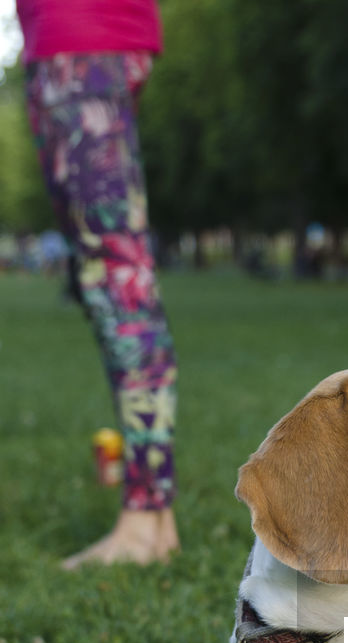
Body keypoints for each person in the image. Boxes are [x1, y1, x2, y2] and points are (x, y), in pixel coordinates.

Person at [16, 0, 179, 567]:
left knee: (118, 276)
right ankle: (156, 519)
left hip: (81, 36)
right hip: (69, 38)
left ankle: (144, 519)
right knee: (104, 275)